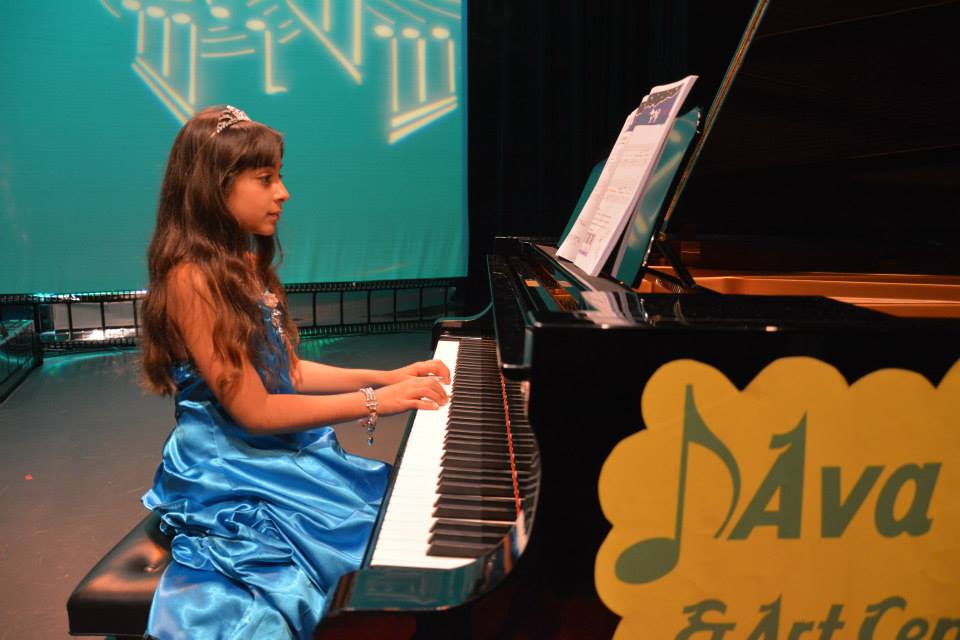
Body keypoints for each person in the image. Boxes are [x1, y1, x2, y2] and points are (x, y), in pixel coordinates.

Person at [138, 105, 449, 640]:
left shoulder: (242, 265)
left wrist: (387, 375)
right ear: (216, 187)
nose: (283, 193)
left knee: (396, 516)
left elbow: (292, 373)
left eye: (279, 176)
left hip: (269, 455)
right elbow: (255, 411)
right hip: (228, 469)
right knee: (350, 547)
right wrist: (379, 402)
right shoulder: (191, 280)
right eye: (266, 179)